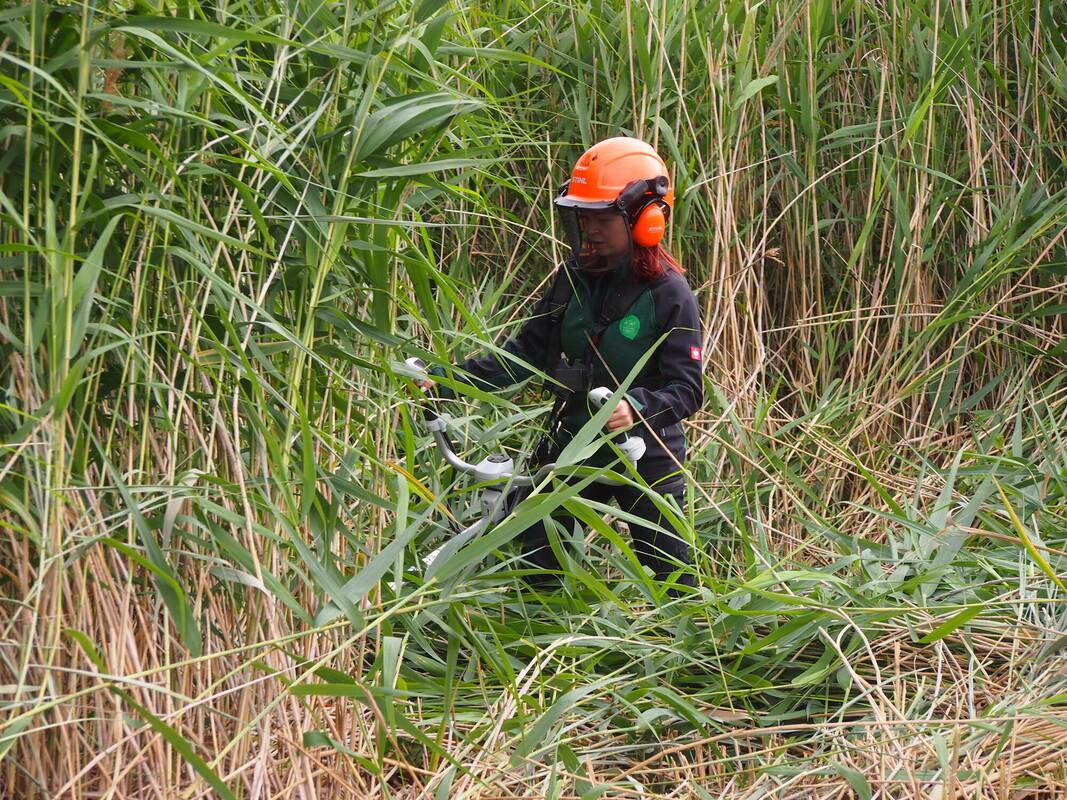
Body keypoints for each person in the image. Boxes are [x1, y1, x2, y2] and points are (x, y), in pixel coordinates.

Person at [427, 137, 703, 591]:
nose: (589, 230)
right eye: (582, 217)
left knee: (674, 586)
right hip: (571, 449)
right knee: (539, 577)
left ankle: (700, 657)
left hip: (644, 460)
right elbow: (526, 356)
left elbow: (687, 389)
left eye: (602, 218)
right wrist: (450, 381)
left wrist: (634, 406)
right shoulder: (573, 278)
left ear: (645, 218)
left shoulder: (670, 294)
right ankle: (543, 655)